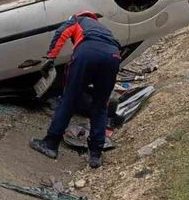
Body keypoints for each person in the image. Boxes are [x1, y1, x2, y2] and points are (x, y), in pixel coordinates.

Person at [30, 11, 121, 169]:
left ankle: (50, 144)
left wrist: (50, 58)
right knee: (100, 106)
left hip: (87, 53)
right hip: (113, 57)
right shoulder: (103, 29)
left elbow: (61, 33)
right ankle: (95, 155)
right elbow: (115, 46)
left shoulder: (77, 20)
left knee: (69, 100)